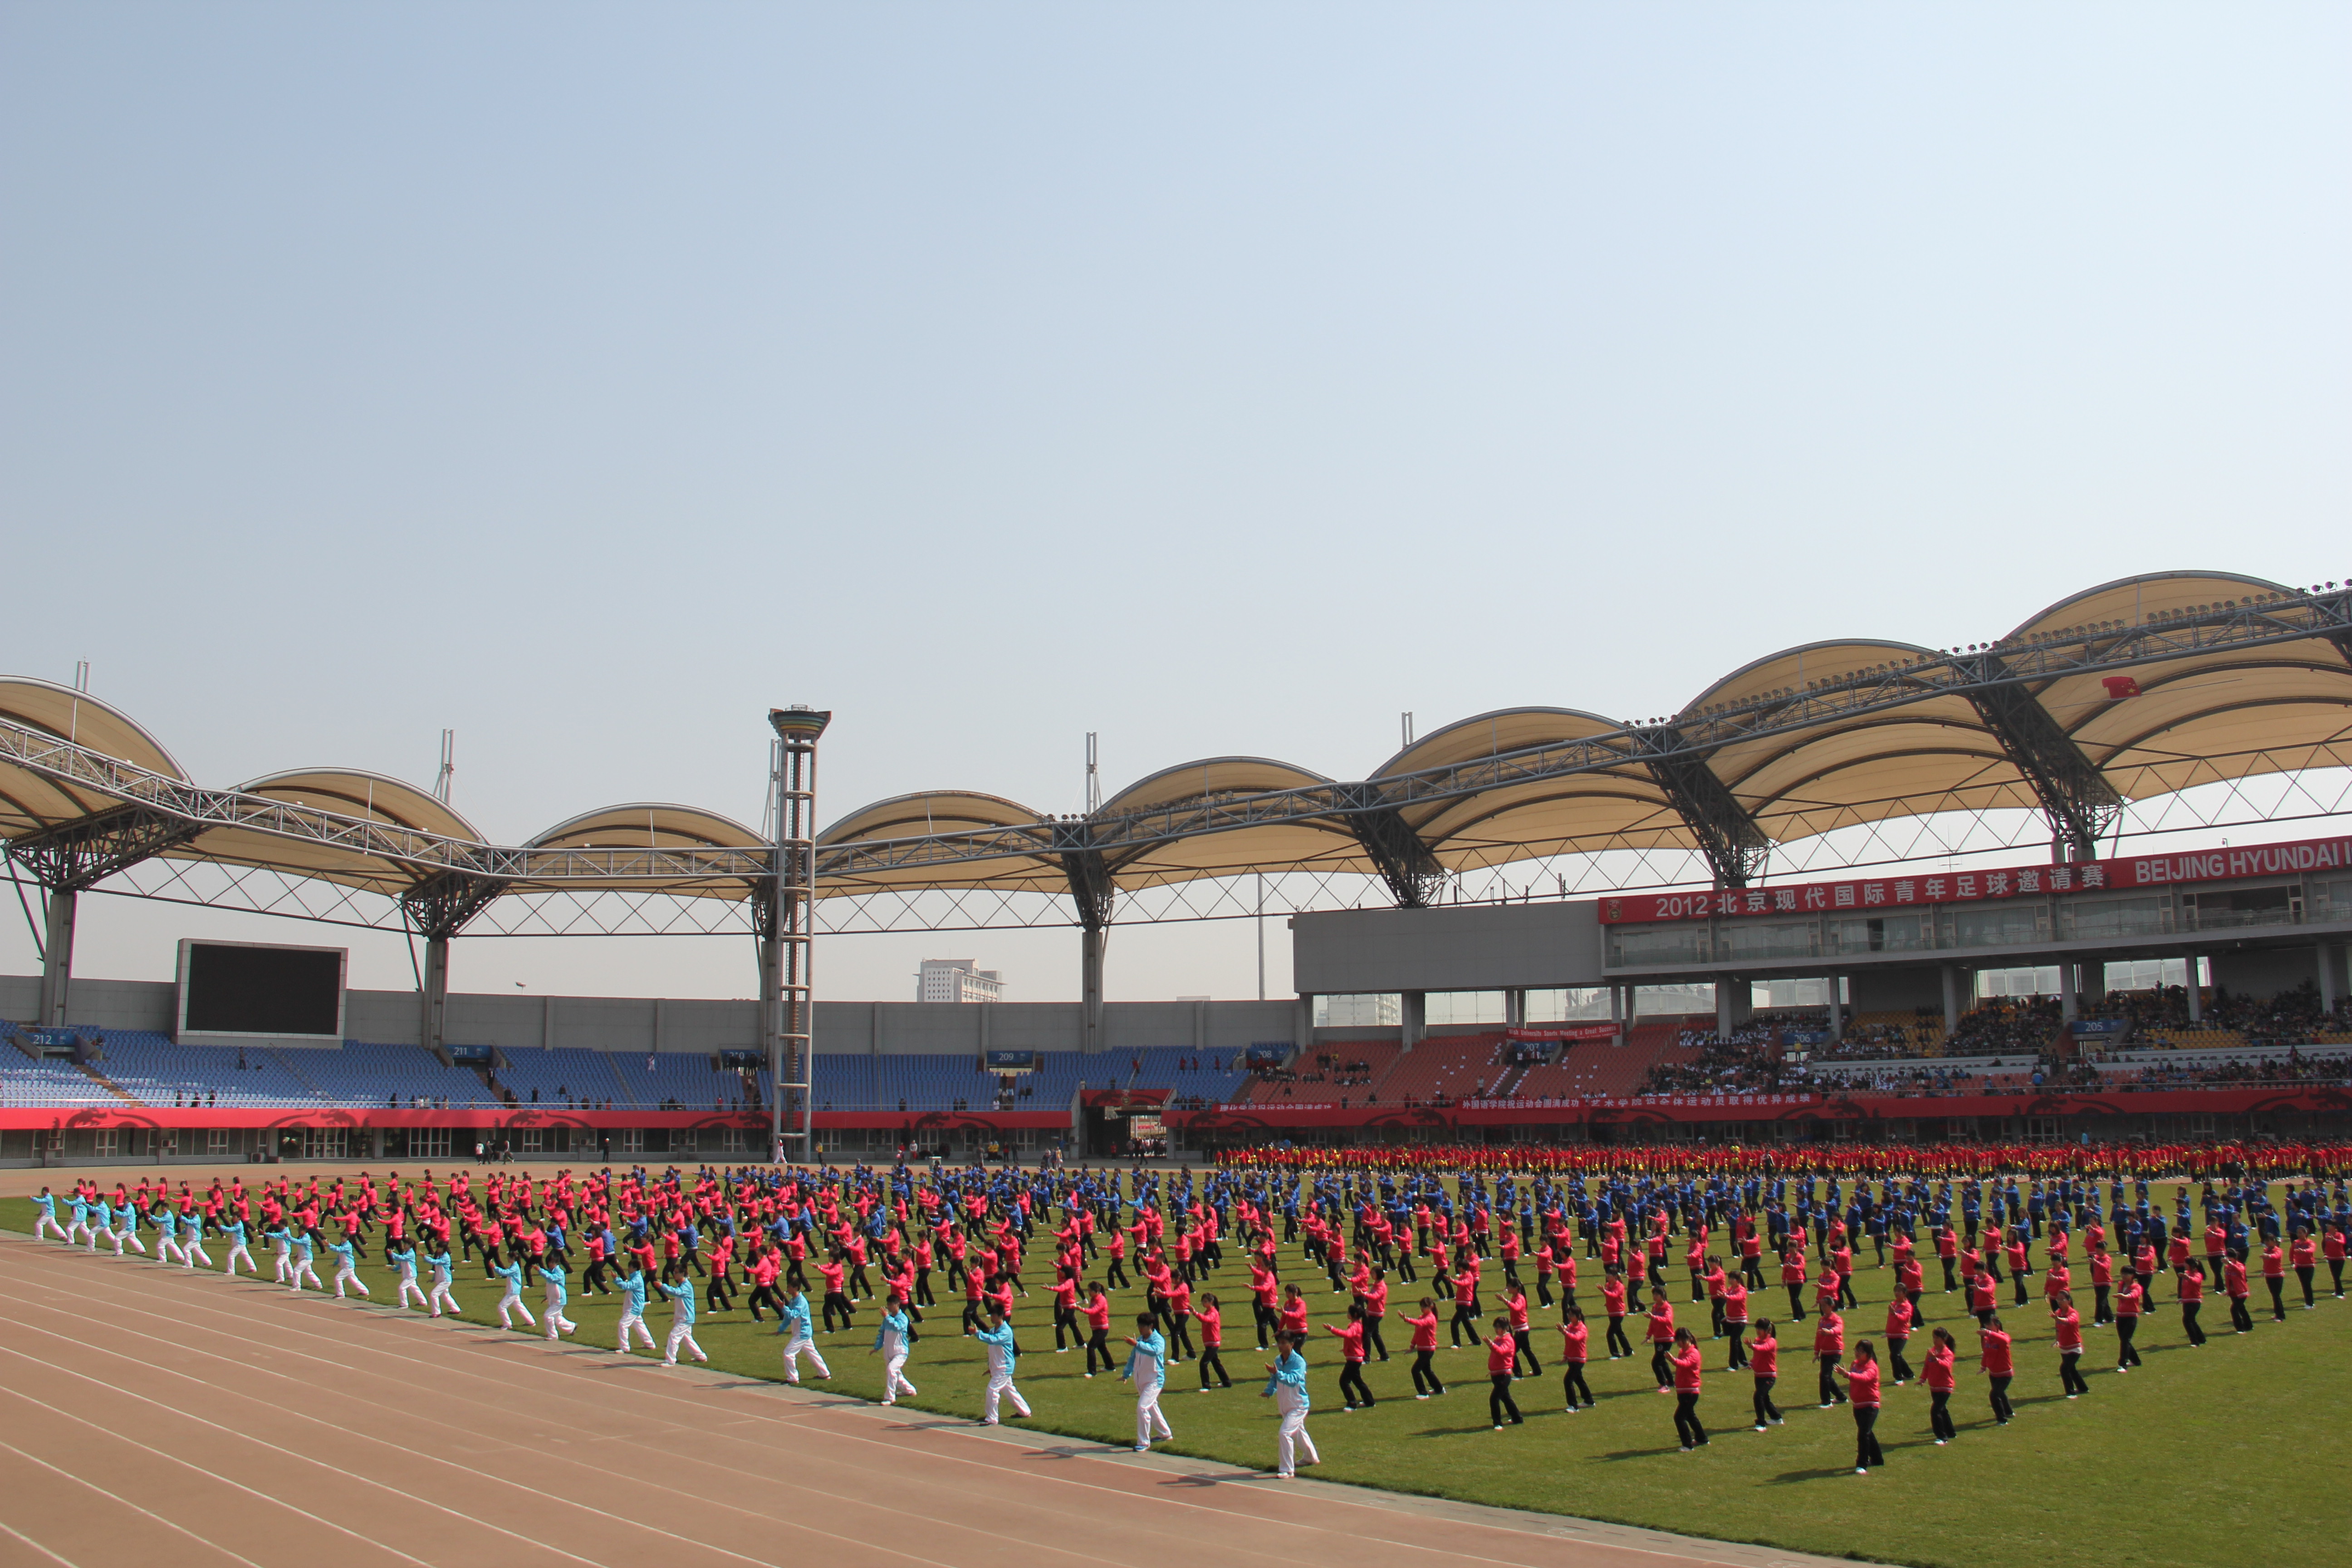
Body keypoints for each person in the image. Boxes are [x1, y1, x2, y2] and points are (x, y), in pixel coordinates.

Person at [1261, 1331, 1318, 1478]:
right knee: (1299, 1431)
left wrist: (1277, 1373)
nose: (1280, 1346)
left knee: (1285, 1433)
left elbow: (1293, 1381)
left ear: (1291, 1344)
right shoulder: (1278, 1360)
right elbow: (1274, 1380)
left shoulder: (1299, 1362)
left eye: (1283, 1343)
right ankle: (1310, 1457)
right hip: (1285, 1404)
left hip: (1298, 1405)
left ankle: (1287, 1469)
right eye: (1279, 1343)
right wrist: (1268, 1391)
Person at [1829, 1340, 1885, 1473]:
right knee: (1867, 1432)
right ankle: (1877, 1459)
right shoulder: (1855, 1364)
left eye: (1861, 1352)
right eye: (1857, 1350)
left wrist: (1847, 1374)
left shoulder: (1872, 1367)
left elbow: (1864, 1378)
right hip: (1858, 1405)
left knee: (1863, 1434)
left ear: (1868, 1353)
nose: (1858, 1354)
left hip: (1870, 1406)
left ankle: (1862, 1464)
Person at [1122, 1313, 1173, 1452]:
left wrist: (1137, 1344)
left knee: (1142, 1408)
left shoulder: (1158, 1340)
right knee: (1151, 1406)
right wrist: (1126, 1374)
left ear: (1151, 1326)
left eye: (1142, 1326)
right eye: (1138, 1325)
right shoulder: (1140, 1340)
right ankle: (1165, 1433)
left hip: (1154, 1381)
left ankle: (1144, 1442)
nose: (1140, 1328)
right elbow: (1133, 1358)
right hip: (1141, 1381)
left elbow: (1154, 1351)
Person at [974, 1306, 1031, 1425]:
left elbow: (994, 1340)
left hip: (1004, 1368)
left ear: (1000, 1316)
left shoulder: (1006, 1331)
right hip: (998, 1367)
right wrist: (991, 1368)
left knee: (992, 1390)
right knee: (1009, 1390)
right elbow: (993, 1351)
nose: (991, 1317)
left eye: (993, 1315)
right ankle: (1025, 1411)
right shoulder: (993, 1330)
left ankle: (992, 1418)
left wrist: (977, 1333)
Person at [777, 1287, 831, 1383]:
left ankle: (793, 1378)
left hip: (802, 1333)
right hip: (802, 1333)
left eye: (789, 1287)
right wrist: (781, 1329)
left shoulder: (801, 1301)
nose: (787, 1289)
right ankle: (824, 1373)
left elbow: (794, 1314)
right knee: (812, 1353)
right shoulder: (793, 1301)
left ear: (795, 1288)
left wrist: (783, 1308)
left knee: (788, 1354)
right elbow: (789, 1318)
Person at [1328, 1304, 1374, 1409]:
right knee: (1358, 1381)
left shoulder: (1355, 1326)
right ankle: (1369, 1401)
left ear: (1355, 1315)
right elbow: (1353, 1340)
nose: (1347, 1314)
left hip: (1354, 1359)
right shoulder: (1358, 1325)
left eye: (1349, 1312)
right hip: (1355, 1358)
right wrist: (1346, 1349)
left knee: (1344, 1382)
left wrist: (1332, 1329)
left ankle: (1352, 1403)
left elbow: (1347, 1335)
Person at [661, 1264, 709, 1366]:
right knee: (687, 1339)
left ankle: (670, 1360)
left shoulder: (686, 1286)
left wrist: (662, 1286)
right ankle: (701, 1356)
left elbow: (677, 1292)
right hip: (682, 1317)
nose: (674, 1275)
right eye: (674, 1273)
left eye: (676, 1273)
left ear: (683, 1274)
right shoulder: (681, 1285)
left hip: (685, 1318)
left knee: (674, 1336)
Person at [1668, 1326, 1706, 1451]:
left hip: (1690, 1391)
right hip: (1683, 1390)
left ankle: (1688, 1445)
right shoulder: (1683, 1352)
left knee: (1679, 1418)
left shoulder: (1693, 1353)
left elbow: (1685, 1364)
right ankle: (1702, 1438)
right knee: (1690, 1416)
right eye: (1677, 1341)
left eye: (1681, 1341)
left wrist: (1673, 1360)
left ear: (1688, 1339)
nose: (1679, 1344)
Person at [1923, 1327, 1959, 1444]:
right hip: (1934, 1386)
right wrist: (1923, 1379)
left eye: (1937, 1338)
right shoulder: (1932, 1351)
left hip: (1945, 1386)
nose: (1935, 1340)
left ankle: (1942, 1437)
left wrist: (1936, 1360)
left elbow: (1946, 1366)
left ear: (1944, 1339)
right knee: (1942, 1410)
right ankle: (1951, 1432)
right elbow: (1927, 1366)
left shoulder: (1948, 1353)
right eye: (1934, 1338)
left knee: (1935, 1411)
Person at [1404, 1296, 1445, 1398]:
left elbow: (1421, 1323)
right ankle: (1439, 1389)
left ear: (1431, 1306)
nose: (1422, 1308)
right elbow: (1417, 1333)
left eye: (1424, 1306)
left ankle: (1423, 1393)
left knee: (1415, 1370)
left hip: (1428, 1349)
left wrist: (1408, 1319)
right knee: (1427, 1371)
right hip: (1422, 1349)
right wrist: (1412, 1346)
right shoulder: (1422, 1317)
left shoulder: (1431, 1318)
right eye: (1421, 1306)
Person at [2050, 1291, 2088, 1398]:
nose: (2059, 1302)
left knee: (2064, 1369)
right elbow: (2058, 1329)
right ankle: (2083, 1388)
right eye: (2058, 1299)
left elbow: (2069, 1321)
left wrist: (2058, 1319)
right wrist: (2057, 1340)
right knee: (2072, 1369)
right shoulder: (2058, 1312)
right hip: (2064, 1347)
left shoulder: (2073, 1313)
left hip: (2075, 1348)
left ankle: (2071, 1393)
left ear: (2069, 1301)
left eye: (2062, 1299)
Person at [1979, 1315, 2014, 1425]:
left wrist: (1989, 1333)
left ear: (1997, 1325)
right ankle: (2009, 1412)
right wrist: (1983, 1367)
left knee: (1994, 1395)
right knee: (2000, 1393)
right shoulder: (1987, 1339)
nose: (1987, 1327)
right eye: (1986, 1326)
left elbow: (2005, 1341)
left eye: (1989, 1325)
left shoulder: (2004, 1336)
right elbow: (1986, 1354)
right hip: (1994, 1374)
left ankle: (2002, 1420)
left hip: (2005, 1374)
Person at [1749, 1318, 1784, 1430]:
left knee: (1758, 1396)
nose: (1758, 1331)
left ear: (1767, 1330)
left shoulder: (1772, 1341)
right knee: (1765, 1398)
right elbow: (1757, 1356)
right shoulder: (1757, 1340)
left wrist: (1753, 1346)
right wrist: (1752, 1364)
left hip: (1769, 1376)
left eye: (1760, 1329)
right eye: (1757, 1329)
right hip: (1758, 1375)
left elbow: (1764, 1349)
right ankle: (1777, 1418)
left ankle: (1761, 1424)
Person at [1193, 1293, 1232, 1390]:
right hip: (1210, 1342)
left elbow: (1207, 1320)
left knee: (1203, 1363)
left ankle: (1206, 1386)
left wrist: (1195, 1313)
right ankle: (1226, 1382)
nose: (1203, 1303)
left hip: (1213, 1343)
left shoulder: (1213, 1313)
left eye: (1205, 1301)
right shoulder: (1208, 1312)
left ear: (1211, 1302)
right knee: (1216, 1363)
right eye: (1203, 1301)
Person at [1559, 1305, 1594, 1411]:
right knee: (1579, 1380)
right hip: (1572, 1359)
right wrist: (1566, 1355)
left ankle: (1573, 1406)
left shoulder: (1582, 1328)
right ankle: (1589, 1401)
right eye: (1568, 1315)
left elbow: (1576, 1338)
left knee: (1568, 1380)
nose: (1569, 1317)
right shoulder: (1570, 1327)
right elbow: (1569, 1343)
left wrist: (1565, 1332)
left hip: (1579, 1359)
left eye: (1572, 1315)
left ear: (1578, 1316)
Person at [490, 1256, 536, 1329]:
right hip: (514, 1291)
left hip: (513, 1292)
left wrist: (494, 1267)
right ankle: (531, 1321)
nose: (508, 1259)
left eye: (509, 1257)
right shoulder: (514, 1266)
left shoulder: (514, 1267)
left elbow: (505, 1273)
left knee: (502, 1307)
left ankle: (507, 1324)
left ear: (513, 1258)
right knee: (519, 1306)